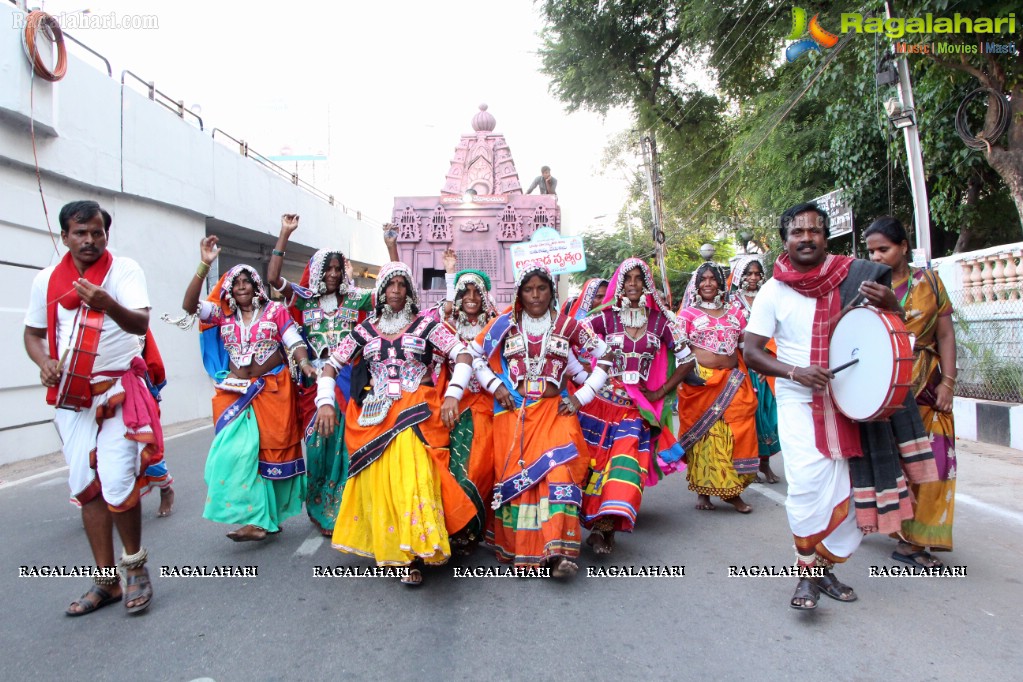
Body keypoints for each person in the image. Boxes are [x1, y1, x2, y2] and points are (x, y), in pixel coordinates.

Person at [744, 202, 938, 610]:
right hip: (800, 398)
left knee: (855, 490)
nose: (806, 238)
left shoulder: (853, 277)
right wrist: (797, 373)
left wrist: (892, 305)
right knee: (806, 488)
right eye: (797, 232)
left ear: (825, 236)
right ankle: (806, 574)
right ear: (785, 240)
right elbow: (751, 352)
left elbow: (887, 334)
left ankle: (822, 569)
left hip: (853, 397)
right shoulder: (773, 290)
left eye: (814, 230)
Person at [23, 200, 163, 615]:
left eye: (96, 232)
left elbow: (140, 324)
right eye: (80, 233)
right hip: (72, 398)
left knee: (118, 480)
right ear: (64, 236)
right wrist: (44, 362)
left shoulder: (125, 271)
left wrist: (107, 304)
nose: (89, 240)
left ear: (106, 233)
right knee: (86, 486)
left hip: (118, 390)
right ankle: (106, 582)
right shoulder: (46, 280)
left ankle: (134, 567)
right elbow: (32, 334)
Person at [313, 262, 476, 587]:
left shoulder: (427, 326)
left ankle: (416, 549)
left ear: (410, 291)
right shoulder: (365, 331)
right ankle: (398, 552)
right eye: (391, 285)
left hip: (416, 411)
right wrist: (325, 402)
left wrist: (453, 394)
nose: (397, 290)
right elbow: (331, 365)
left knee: (412, 476)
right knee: (383, 482)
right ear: (381, 292)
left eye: (403, 284)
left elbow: (463, 353)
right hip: (375, 415)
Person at [264, 215, 399, 536]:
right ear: (318, 271)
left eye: (339, 269)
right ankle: (319, 505)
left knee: (348, 444)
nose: (335, 274)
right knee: (318, 446)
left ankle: (342, 509)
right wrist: (284, 234)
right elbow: (273, 279)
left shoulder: (356, 298)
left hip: (350, 382)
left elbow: (395, 287)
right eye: (329, 269)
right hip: (313, 385)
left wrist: (391, 247)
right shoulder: (305, 297)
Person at [472, 262, 609, 577]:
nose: (535, 295)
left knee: (559, 476)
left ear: (551, 291)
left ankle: (556, 551)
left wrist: (581, 397)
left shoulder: (569, 325)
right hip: (516, 416)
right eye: (529, 289)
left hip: (555, 413)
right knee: (523, 486)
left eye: (542, 288)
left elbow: (607, 356)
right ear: (520, 292)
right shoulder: (504, 323)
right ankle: (526, 549)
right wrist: (495, 387)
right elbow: (474, 354)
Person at [182, 237, 317, 542]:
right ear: (229, 289)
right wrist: (204, 264)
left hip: (271, 389)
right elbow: (189, 306)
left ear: (256, 286)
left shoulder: (275, 313)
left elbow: (293, 340)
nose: (241, 286)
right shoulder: (222, 315)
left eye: (247, 281)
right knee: (233, 454)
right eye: (236, 282)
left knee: (267, 455)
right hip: (236, 393)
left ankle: (262, 519)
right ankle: (254, 517)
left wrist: (306, 364)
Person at [577, 258, 693, 554]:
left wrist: (661, 391)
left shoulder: (661, 321)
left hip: (634, 409)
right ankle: (591, 526)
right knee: (591, 468)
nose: (632, 283)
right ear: (619, 283)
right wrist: (581, 376)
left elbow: (687, 359)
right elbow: (572, 338)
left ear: (646, 284)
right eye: (627, 278)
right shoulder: (604, 319)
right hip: (599, 404)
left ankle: (606, 530)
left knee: (624, 467)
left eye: (638, 278)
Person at [864, 216, 957, 567]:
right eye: (871, 251)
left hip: (929, 384)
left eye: (883, 249)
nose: (876, 257)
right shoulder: (867, 287)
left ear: (903, 247)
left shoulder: (930, 282)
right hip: (888, 388)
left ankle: (919, 538)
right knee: (897, 464)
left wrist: (948, 382)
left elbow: (945, 335)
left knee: (937, 461)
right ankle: (904, 535)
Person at [430, 248, 501, 551]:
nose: (471, 297)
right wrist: (449, 274)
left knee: (479, 465)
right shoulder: (445, 326)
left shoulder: (496, 325)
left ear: (484, 296)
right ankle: (456, 525)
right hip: (450, 405)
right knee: (448, 466)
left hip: (485, 405)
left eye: (476, 291)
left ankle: (471, 525)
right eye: (465, 291)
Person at [675, 262, 759, 513]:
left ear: (721, 283)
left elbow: (745, 349)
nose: (708, 283)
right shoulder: (687, 315)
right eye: (704, 279)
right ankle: (716, 492)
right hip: (701, 383)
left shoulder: (736, 314)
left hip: (733, 381)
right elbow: (678, 351)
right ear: (697, 284)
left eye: (713, 279)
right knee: (706, 437)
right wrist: (685, 378)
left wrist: (759, 372)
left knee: (734, 433)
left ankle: (726, 484)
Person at [728, 256, 782, 484]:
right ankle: (749, 466)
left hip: (765, 369)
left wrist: (767, 362)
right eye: (748, 273)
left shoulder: (768, 299)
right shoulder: (731, 304)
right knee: (749, 419)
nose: (753, 278)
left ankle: (766, 464)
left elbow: (777, 332)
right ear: (740, 276)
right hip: (742, 370)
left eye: (757, 274)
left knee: (769, 417)